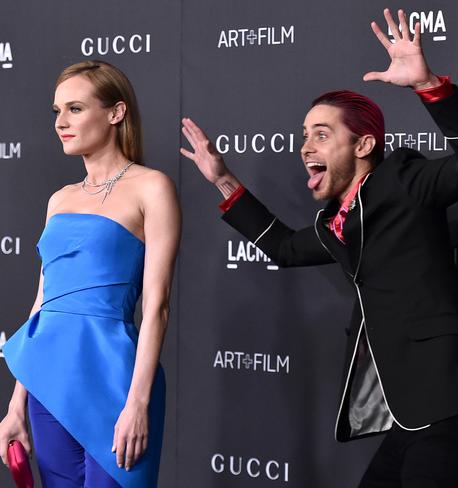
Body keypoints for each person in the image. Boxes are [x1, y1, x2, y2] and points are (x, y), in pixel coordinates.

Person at [181, 8, 458, 487]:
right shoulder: (338, 222)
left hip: (447, 404)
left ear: (365, 145)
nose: (306, 147)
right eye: (304, 136)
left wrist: (428, 84)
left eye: (322, 135)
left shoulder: (407, 180)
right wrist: (223, 180)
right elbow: (285, 248)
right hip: (409, 412)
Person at [0, 60, 180, 487]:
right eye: (57, 111)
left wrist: (138, 402)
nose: (61, 122)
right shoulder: (59, 200)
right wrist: (16, 404)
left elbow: (158, 305)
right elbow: (43, 303)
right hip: (49, 383)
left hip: (116, 381)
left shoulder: (153, 187)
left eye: (75, 109)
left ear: (116, 113)